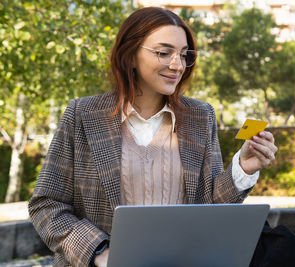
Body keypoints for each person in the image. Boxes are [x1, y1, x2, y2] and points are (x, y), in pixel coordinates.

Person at [28, 7, 278, 267]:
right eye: (164, 52)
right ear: (131, 54)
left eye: (184, 55)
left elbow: (209, 208)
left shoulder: (200, 117)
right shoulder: (82, 114)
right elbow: (46, 205)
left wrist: (243, 168)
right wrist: (101, 253)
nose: (177, 65)